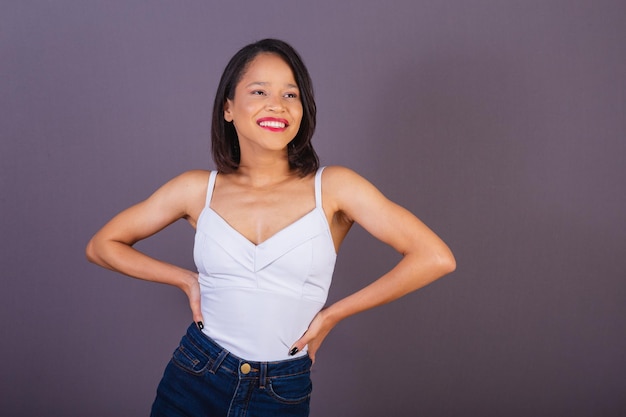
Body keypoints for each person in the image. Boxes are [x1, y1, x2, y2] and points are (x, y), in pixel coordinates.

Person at [86, 38, 455, 417]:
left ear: (303, 109)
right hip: (195, 375)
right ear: (228, 108)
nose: (277, 104)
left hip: (279, 390)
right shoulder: (198, 189)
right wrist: (185, 279)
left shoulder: (334, 187)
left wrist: (333, 315)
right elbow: (102, 246)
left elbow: (435, 257)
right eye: (259, 90)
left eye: (290, 94)